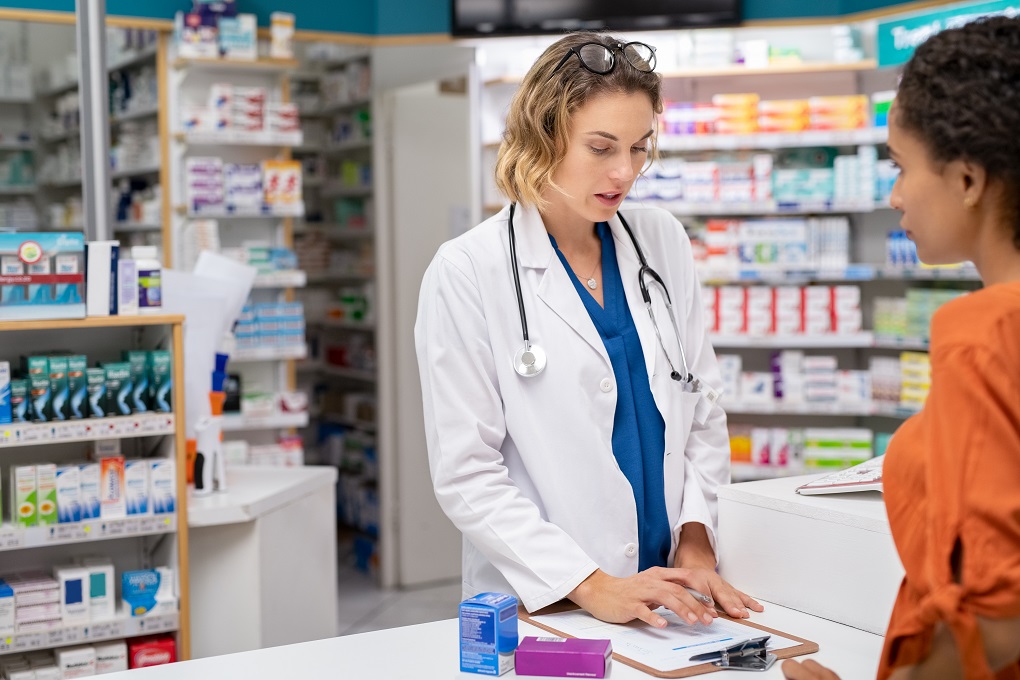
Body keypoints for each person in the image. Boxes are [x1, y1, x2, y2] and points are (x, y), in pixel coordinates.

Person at [414, 31, 762, 629]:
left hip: (672, 590)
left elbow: (700, 405)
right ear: (543, 135)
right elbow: (466, 472)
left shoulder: (660, 240)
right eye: (600, 147)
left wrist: (698, 539)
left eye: (638, 147)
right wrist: (593, 585)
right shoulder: (470, 269)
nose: (623, 172)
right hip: (545, 599)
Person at [782, 16, 1020, 680]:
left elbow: (1001, 614)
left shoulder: (986, 333)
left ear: (968, 181)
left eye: (901, 166)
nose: (893, 196)